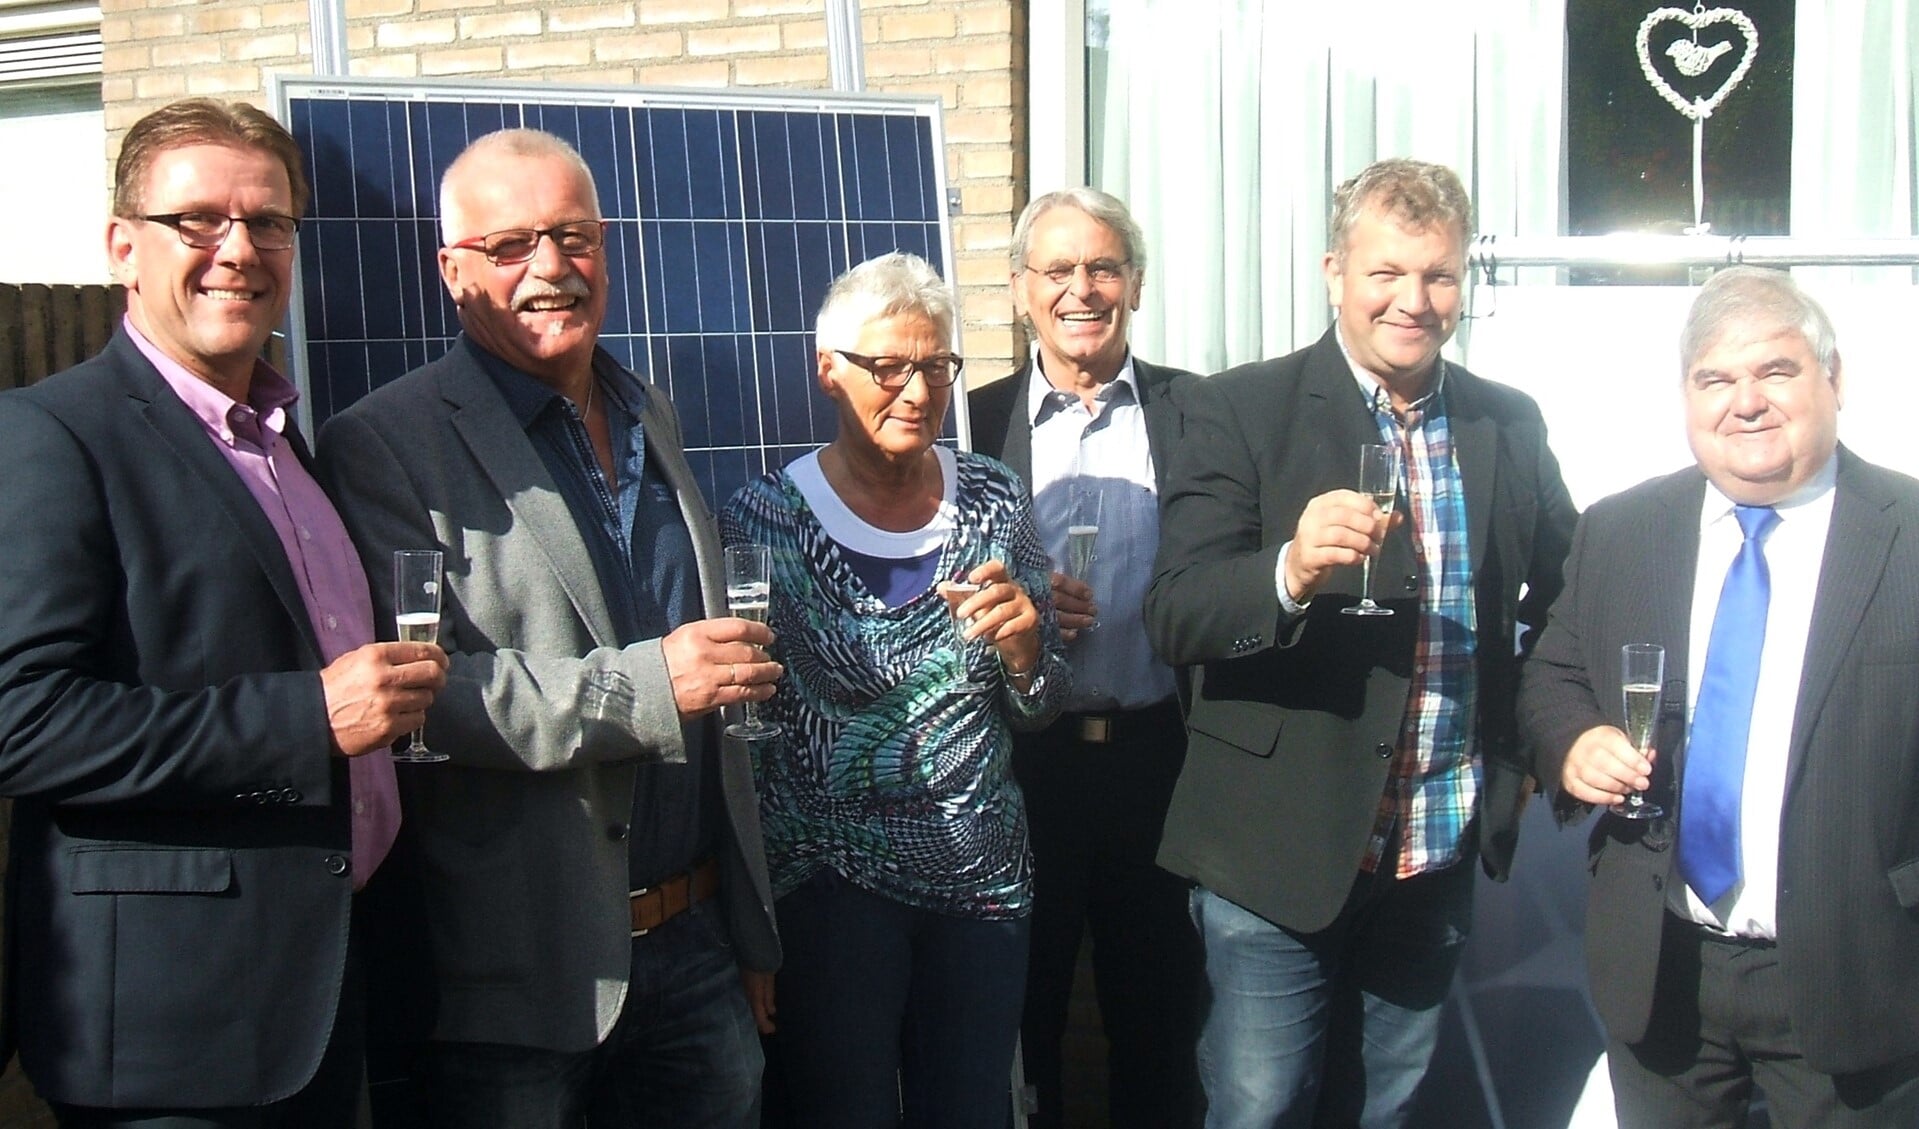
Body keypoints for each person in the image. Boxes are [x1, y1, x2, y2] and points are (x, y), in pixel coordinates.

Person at [313, 128, 781, 1129]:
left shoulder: (647, 408)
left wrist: (746, 931)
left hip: (692, 945)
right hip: (522, 981)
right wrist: (653, 685)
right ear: (451, 271)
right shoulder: (383, 445)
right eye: (511, 244)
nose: (553, 267)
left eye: (575, 235)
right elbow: (423, 697)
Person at [0, 97, 448, 1127]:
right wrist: (306, 719)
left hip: (330, 987)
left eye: (269, 222)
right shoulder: (50, 437)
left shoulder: (287, 444)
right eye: (198, 219)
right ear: (123, 245)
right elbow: (21, 720)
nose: (237, 249)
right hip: (177, 1033)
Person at [1142, 157, 1578, 1128]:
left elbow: (1569, 592)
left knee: (1382, 1110)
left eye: (1436, 276)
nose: (1410, 300)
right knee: (1259, 1106)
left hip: (1431, 844)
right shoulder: (1235, 409)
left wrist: (1539, 731)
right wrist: (1288, 569)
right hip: (1273, 846)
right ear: (1334, 271)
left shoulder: (1505, 421)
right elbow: (1172, 612)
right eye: (1385, 273)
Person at [1518, 266, 1919, 1127]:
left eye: (1775, 371)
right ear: (1685, 396)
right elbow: (1552, 676)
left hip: (1861, 975)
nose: (1746, 402)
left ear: (1834, 379)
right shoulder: (1621, 530)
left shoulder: (1909, 535)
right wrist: (1574, 741)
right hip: (1663, 974)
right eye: (1715, 378)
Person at [720, 251, 1069, 1128]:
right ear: (828, 371)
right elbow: (744, 735)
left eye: (936, 366)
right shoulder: (764, 519)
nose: (916, 391)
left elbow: (1041, 701)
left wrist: (1027, 645)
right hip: (831, 894)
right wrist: (754, 919)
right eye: (889, 367)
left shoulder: (993, 499)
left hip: (981, 884)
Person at [967, 188, 1202, 1129]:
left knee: (1160, 1019)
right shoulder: (967, 426)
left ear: (1134, 284)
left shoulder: (1200, 414)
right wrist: (1017, 622)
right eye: (1056, 270)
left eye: (1102, 267)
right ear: (1021, 288)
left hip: (1162, 761)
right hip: (1025, 765)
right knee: (1023, 1015)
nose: (1081, 290)